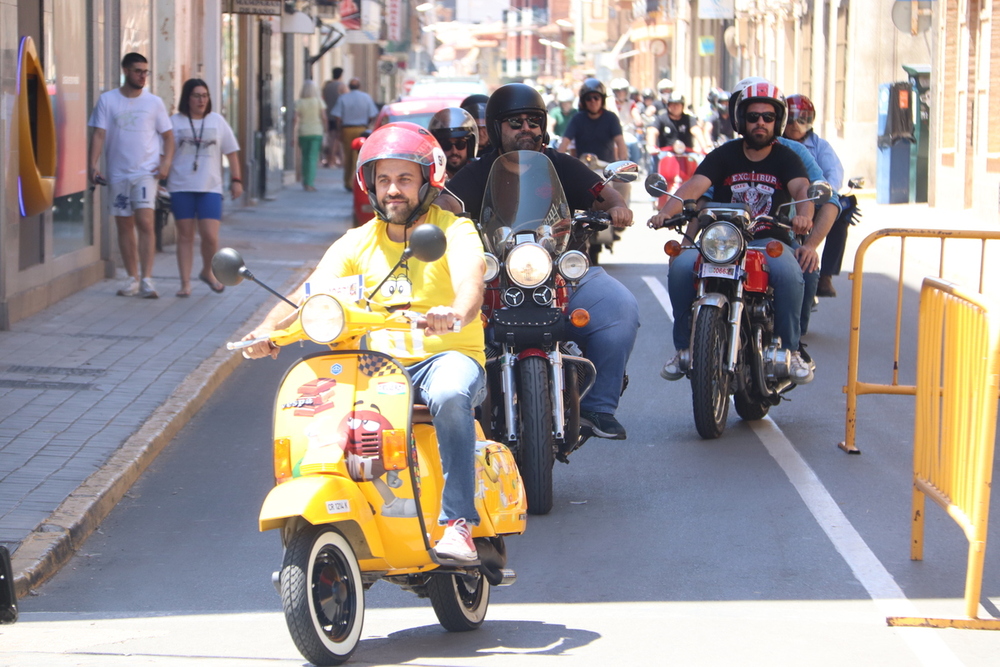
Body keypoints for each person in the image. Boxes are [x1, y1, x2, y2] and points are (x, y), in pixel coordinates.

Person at [242, 122, 488, 562]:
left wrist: (454, 312)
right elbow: (312, 295)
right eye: (384, 180)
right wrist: (269, 331)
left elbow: (471, 284)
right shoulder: (356, 242)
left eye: (405, 179)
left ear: (428, 181)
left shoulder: (455, 230)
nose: (393, 190)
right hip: (377, 365)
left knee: (451, 395)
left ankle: (457, 523)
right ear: (370, 185)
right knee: (313, 404)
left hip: (445, 356)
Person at [438, 83, 639, 440]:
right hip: (497, 281)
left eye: (534, 121)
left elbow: (602, 194)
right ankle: (464, 410)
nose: (526, 129)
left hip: (562, 277)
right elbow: (448, 203)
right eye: (516, 122)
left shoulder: (560, 164)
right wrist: (436, 217)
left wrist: (616, 208)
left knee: (620, 306)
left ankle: (599, 407)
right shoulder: (480, 170)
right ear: (498, 129)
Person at [648, 79, 816, 384]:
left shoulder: (786, 158)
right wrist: (665, 212)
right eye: (753, 117)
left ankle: (789, 351)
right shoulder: (725, 154)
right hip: (721, 240)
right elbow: (694, 185)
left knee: (790, 273)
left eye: (768, 117)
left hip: (767, 240)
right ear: (741, 120)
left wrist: (804, 215)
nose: (761, 123)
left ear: (778, 122)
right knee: (682, 266)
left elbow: (802, 189)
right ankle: (684, 349)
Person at [88, 52, 174, 299]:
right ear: (125, 71)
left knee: (145, 221)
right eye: (138, 71)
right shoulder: (108, 100)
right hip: (117, 173)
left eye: (145, 71)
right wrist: (92, 165)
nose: (143, 76)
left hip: (146, 172)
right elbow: (99, 134)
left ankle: (147, 280)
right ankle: (132, 278)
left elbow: (168, 137)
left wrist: (166, 164)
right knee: (123, 224)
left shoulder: (154, 102)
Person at [167, 78, 242, 297]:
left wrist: (236, 179)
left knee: (210, 236)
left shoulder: (217, 121)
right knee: (185, 236)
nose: (201, 100)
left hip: (210, 187)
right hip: (181, 186)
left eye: (205, 96)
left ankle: (207, 272)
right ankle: (185, 283)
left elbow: (231, 151)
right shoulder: (175, 122)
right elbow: (165, 154)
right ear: (187, 98)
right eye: (196, 96)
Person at [783, 94, 847, 298]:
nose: (795, 125)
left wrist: (820, 192)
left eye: (801, 119)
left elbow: (833, 175)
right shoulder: (774, 144)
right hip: (783, 199)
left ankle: (826, 274)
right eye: (790, 119)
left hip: (812, 197)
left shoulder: (820, 147)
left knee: (839, 215)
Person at [557, 78, 627, 163]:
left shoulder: (611, 118)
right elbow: (564, 142)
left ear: (602, 99)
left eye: (596, 97)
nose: (592, 101)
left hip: (606, 169)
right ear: (583, 101)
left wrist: (623, 166)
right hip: (583, 170)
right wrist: (557, 163)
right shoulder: (577, 119)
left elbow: (620, 142)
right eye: (588, 98)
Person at [332, 78, 379, 191]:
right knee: (360, 156)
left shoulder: (343, 98)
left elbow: (337, 117)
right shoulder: (366, 97)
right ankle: (358, 182)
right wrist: (368, 124)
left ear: (349, 86)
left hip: (347, 129)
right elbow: (373, 114)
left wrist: (339, 131)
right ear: (359, 86)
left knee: (348, 157)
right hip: (362, 130)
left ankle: (348, 182)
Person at [647, 91, 704, 156]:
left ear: (682, 106)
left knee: (699, 160)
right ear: (668, 106)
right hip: (665, 154)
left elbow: (696, 131)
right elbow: (653, 131)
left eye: (678, 104)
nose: (675, 107)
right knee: (654, 159)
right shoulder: (661, 118)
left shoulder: (689, 119)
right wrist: (652, 146)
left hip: (686, 153)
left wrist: (705, 147)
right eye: (672, 104)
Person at [427, 107, 478, 178]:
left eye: (460, 144)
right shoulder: (430, 180)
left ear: (470, 146)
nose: (454, 151)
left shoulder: (481, 177)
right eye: (446, 145)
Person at [295, 80, 326, 192]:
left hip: (303, 132)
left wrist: (293, 135)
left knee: (305, 157)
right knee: (313, 158)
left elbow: (295, 119)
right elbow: (324, 117)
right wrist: (325, 129)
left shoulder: (299, 102)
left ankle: (305, 181)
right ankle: (310, 183)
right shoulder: (318, 102)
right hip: (316, 132)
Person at [322, 67, 346, 168]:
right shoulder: (341, 86)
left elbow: (323, 99)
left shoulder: (326, 86)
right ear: (341, 75)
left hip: (328, 114)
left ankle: (330, 160)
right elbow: (347, 99)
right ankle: (333, 160)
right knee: (336, 139)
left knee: (331, 138)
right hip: (338, 116)